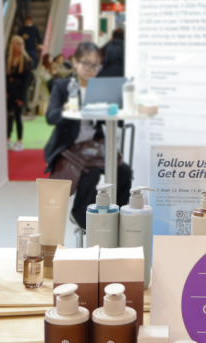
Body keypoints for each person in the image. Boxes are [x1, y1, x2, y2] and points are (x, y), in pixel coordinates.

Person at [44, 42, 132, 228]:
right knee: (90, 172)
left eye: (95, 64)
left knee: (123, 172)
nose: (91, 69)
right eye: (86, 63)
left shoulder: (102, 88)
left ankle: (118, 217)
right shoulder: (63, 86)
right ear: (75, 62)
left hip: (93, 146)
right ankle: (82, 217)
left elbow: (113, 116)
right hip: (68, 146)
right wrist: (66, 108)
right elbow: (51, 117)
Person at [6, 36, 32, 151]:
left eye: (22, 43)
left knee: (18, 117)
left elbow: (26, 82)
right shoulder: (7, 58)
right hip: (9, 93)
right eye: (18, 43)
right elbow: (5, 77)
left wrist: (21, 98)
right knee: (8, 116)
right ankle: (8, 138)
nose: (20, 46)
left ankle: (20, 140)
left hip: (19, 93)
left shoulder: (27, 60)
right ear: (13, 45)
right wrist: (6, 92)